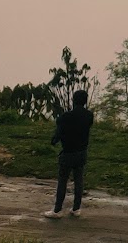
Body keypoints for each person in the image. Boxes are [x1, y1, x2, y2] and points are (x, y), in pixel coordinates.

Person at [44, 90, 93, 218]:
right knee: (79, 180)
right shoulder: (89, 116)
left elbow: (58, 134)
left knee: (62, 181)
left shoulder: (65, 117)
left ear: (73, 100)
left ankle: (57, 210)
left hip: (67, 153)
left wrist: (54, 140)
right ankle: (76, 208)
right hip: (81, 152)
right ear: (85, 101)